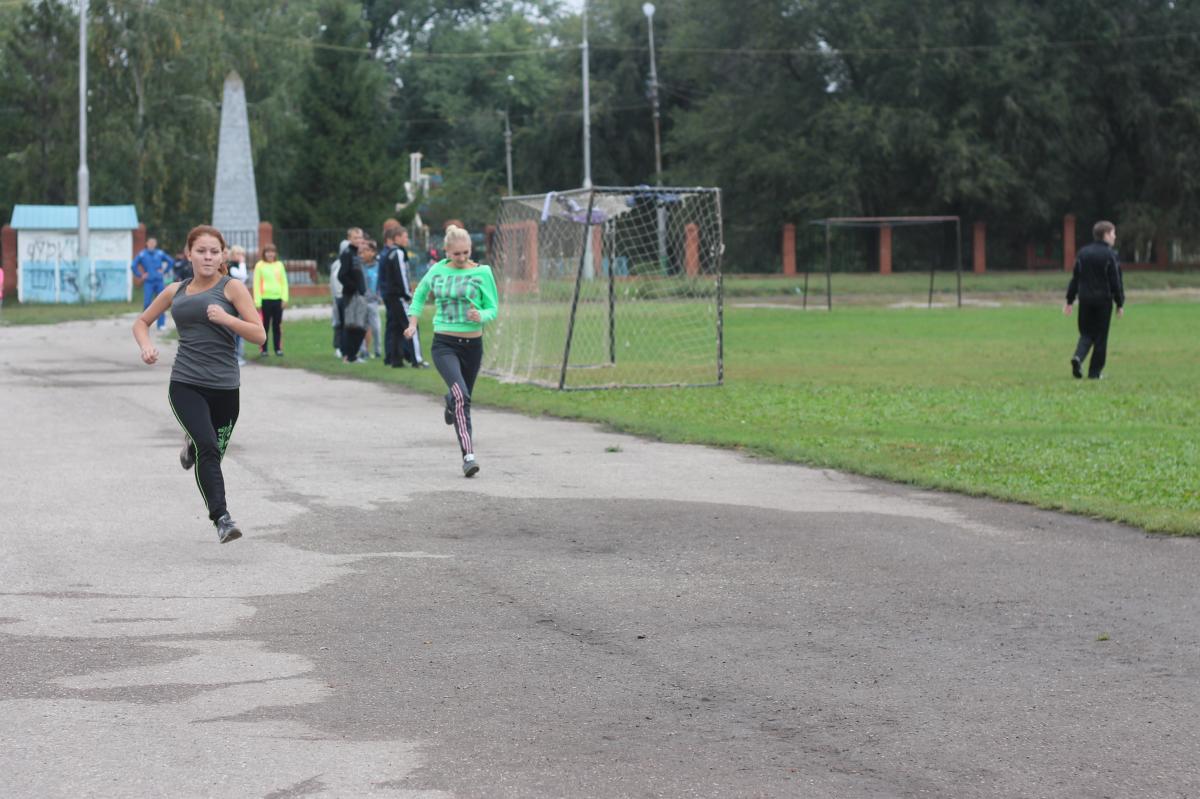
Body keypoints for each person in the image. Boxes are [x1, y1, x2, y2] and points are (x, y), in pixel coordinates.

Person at [131, 224, 266, 543]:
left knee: (210, 451)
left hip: (226, 387)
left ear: (222, 256)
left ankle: (192, 444)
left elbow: (259, 335)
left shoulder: (232, 288)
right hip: (186, 383)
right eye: (201, 251)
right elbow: (141, 322)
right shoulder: (174, 291)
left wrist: (227, 319)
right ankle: (222, 518)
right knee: (209, 447)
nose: (207, 256)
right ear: (188, 253)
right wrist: (146, 346)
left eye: (214, 251)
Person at [404, 224, 498, 477]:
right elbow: (420, 295)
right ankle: (469, 456)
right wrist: (413, 323)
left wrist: (481, 314)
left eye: (466, 252)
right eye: (456, 254)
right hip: (444, 344)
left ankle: (450, 401)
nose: (462, 258)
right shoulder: (437, 270)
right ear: (446, 251)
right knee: (462, 398)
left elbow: (493, 308)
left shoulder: (482, 273)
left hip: (473, 346)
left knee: (461, 395)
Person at [1064, 220, 1125, 380]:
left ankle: (1078, 357)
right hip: (1103, 301)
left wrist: (1070, 300)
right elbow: (1116, 281)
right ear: (1105, 235)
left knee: (1086, 333)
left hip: (1084, 300)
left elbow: (1075, 278)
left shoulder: (1083, 253)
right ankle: (1094, 373)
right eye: (1113, 233)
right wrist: (1120, 302)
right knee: (1100, 337)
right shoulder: (1111, 255)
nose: (1114, 236)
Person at [381, 226, 426, 368]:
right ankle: (417, 360)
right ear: (397, 238)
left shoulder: (390, 253)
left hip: (391, 296)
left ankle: (396, 360)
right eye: (405, 236)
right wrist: (408, 294)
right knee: (411, 325)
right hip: (399, 296)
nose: (407, 239)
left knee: (395, 328)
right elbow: (402, 275)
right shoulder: (398, 253)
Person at [338, 228, 369, 363]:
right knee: (353, 326)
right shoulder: (347, 253)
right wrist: (354, 287)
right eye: (355, 238)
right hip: (351, 295)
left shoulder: (356, 253)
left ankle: (352, 355)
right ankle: (348, 356)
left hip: (359, 295)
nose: (358, 240)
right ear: (349, 238)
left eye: (360, 237)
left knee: (360, 326)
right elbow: (342, 275)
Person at [131, 236, 175, 330]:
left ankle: (161, 324)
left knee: (162, 303)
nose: (152, 244)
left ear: (155, 244)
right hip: (148, 282)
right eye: (150, 243)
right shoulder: (142, 254)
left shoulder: (159, 253)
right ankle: (144, 323)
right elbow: (133, 265)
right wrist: (140, 275)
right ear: (147, 244)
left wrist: (164, 271)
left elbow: (171, 261)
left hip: (159, 281)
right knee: (147, 303)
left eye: (153, 243)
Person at [253, 244, 289, 356]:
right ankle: (263, 350)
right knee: (265, 326)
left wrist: (285, 298)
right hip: (264, 300)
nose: (270, 254)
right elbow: (256, 284)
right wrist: (257, 301)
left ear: (275, 253)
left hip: (278, 300)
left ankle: (278, 348)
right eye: (268, 252)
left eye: (272, 252)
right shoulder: (259, 265)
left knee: (277, 326)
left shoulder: (279, 265)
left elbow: (284, 283)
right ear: (264, 253)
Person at [227, 246, 251, 366]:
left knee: (240, 329)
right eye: (238, 254)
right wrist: (242, 263)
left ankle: (238, 354)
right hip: (234, 301)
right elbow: (242, 276)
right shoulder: (232, 266)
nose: (241, 257)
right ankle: (234, 355)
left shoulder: (238, 266)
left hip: (241, 299)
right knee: (235, 329)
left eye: (242, 254)